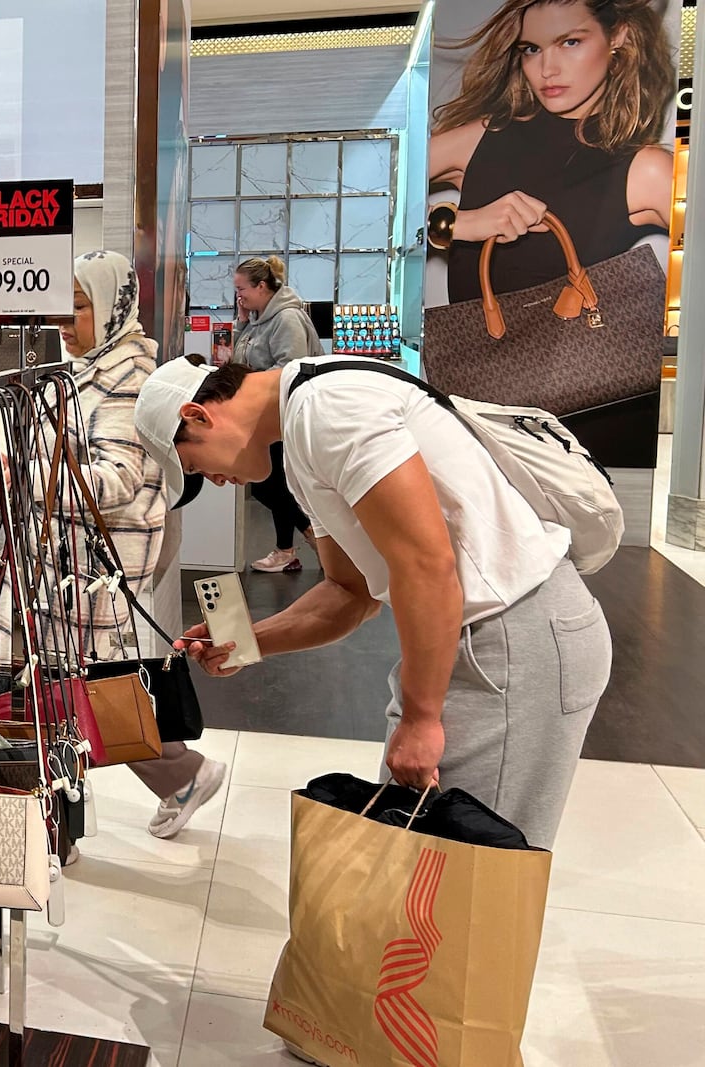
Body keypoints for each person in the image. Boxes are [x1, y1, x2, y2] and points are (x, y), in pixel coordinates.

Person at [134, 355, 611, 851]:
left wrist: (421, 719)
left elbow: (425, 563)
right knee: (425, 871)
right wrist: (248, 641)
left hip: (511, 639)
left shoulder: (326, 407)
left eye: (193, 463)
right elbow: (350, 593)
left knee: (467, 876)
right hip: (484, 641)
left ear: (199, 415)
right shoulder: (306, 423)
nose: (211, 480)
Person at [0, 250, 225, 840]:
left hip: (96, 561)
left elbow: (114, 481)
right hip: (74, 559)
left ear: (114, 306)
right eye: (64, 308)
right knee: (68, 691)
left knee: (70, 695)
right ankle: (148, 787)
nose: (67, 323)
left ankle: (170, 777)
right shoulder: (93, 367)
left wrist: (23, 480)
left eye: (81, 308)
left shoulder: (126, 378)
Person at [428, 0, 673, 304]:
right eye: (531, 49)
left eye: (570, 42)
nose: (547, 69)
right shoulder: (482, 139)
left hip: (578, 352)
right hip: (461, 351)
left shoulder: (645, 169)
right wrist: (455, 224)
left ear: (617, 36)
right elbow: (359, 196)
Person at [233, 256, 321, 574]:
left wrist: (252, 385)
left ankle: (308, 537)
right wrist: (242, 320)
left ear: (262, 286)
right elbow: (236, 357)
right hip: (268, 413)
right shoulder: (258, 319)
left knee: (270, 482)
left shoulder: (286, 319)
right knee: (273, 482)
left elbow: (291, 368)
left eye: (242, 289)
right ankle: (291, 547)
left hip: (286, 414)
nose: (238, 295)